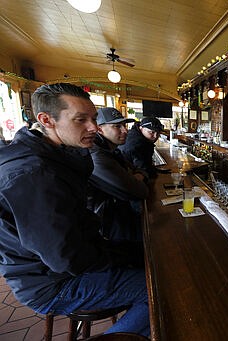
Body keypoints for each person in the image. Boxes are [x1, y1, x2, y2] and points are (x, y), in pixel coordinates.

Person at [0, 83, 150, 336]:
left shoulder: (54, 156)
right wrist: (119, 260)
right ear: (46, 120)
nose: (93, 127)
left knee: (147, 257)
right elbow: (66, 257)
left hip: (60, 268)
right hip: (50, 283)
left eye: (93, 118)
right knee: (159, 288)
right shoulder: (33, 173)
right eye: (81, 120)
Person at [88, 107, 149, 241]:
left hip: (119, 217)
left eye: (124, 125)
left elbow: (141, 171)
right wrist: (136, 178)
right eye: (117, 126)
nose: (125, 130)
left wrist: (136, 176)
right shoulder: (97, 156)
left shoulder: (111, 149)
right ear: (99, 129)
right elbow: (140, 191)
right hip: (110, 228)